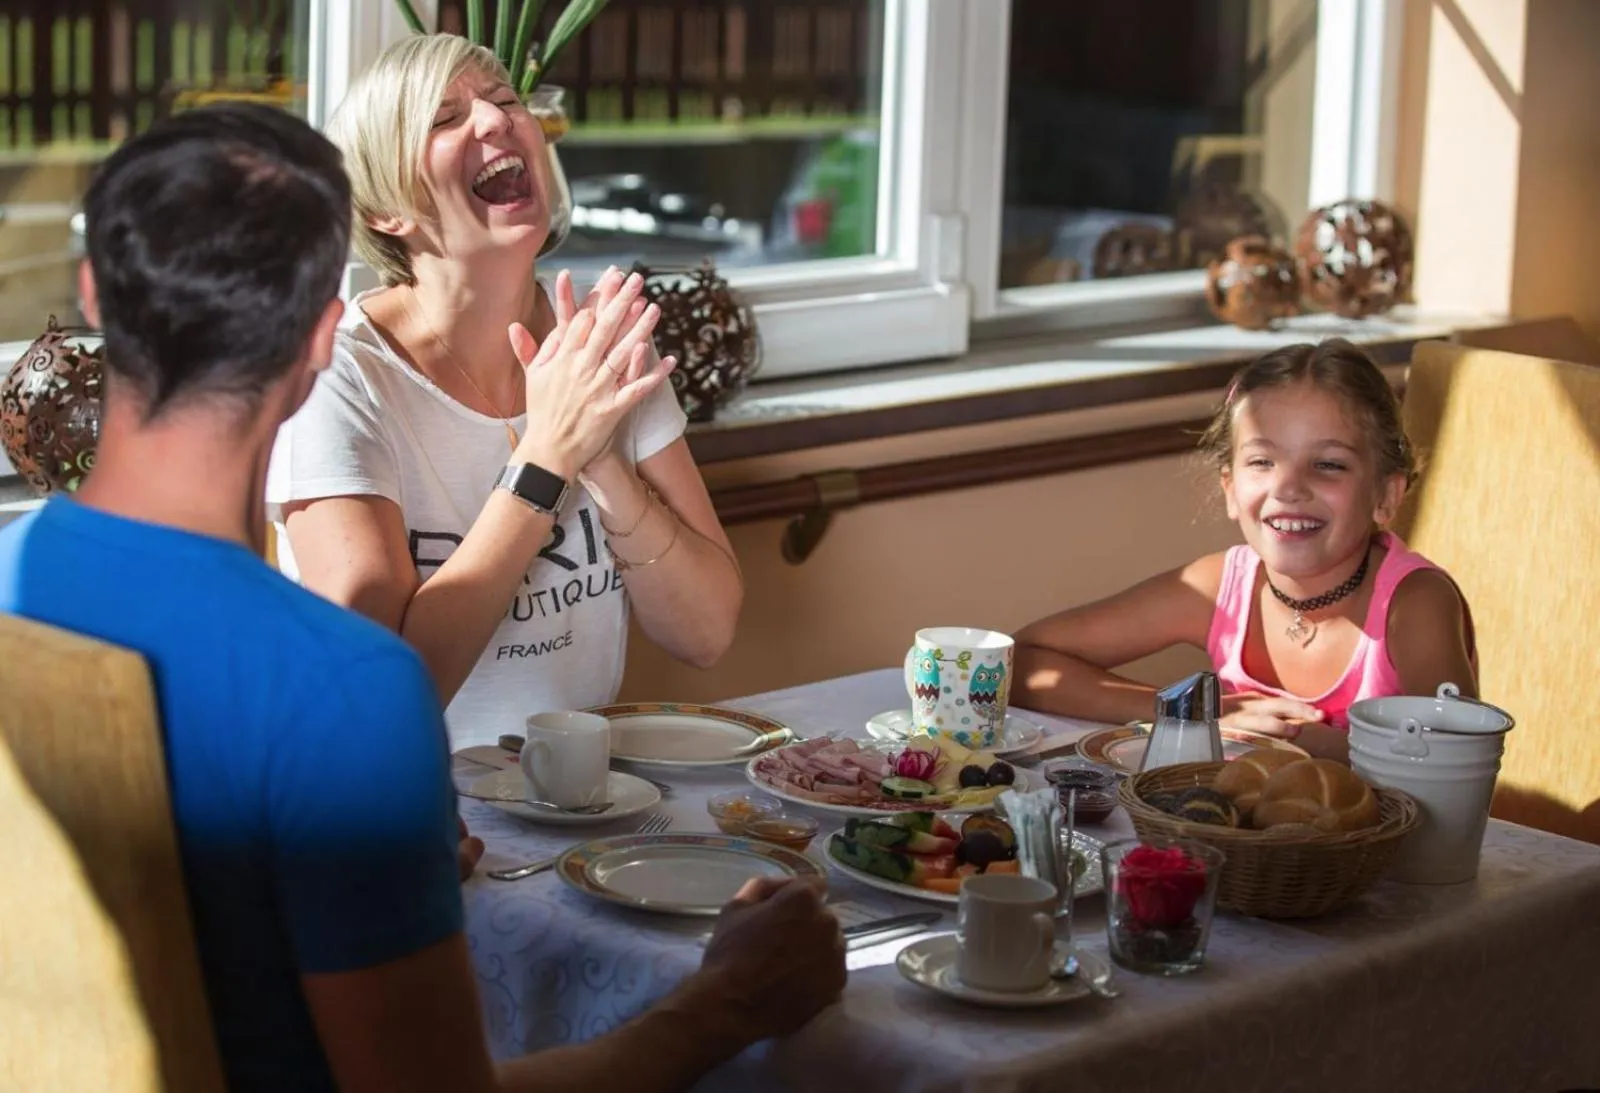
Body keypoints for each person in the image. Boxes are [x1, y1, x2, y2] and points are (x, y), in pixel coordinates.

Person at [0, 103, 844, 1093]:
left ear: (95, 295)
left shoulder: (15, 578)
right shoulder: (347, 692)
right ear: (325, 337)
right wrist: (727, 1002)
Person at [267, 33, 743, 750]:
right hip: (411, 813)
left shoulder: (596, 344)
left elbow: (707, 631)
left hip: (580, 792)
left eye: (503, 102)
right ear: (384, 213)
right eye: (443, 118)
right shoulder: (334, 377)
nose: (495, 122)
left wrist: (603, 458)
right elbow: (379, 696)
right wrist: (548, 457)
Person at [1012, 339, 1477, 759]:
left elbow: (1455, 762)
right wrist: (1193, 716)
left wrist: (1300, 743)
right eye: (1262, 462)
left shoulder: (1415, 605)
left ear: (1386, 497)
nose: (1289, 487)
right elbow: (1020, 663)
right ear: (1231, 489)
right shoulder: (1218, 588)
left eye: (1328, 464)